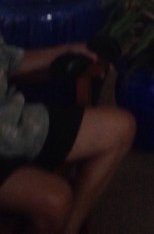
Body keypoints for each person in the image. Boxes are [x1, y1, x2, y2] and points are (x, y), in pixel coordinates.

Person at [0, 35, 135, 234]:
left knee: (121, 128)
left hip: (14, 124)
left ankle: (69, 229)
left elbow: (7, 58)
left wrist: (64, 51)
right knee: (54, 201)